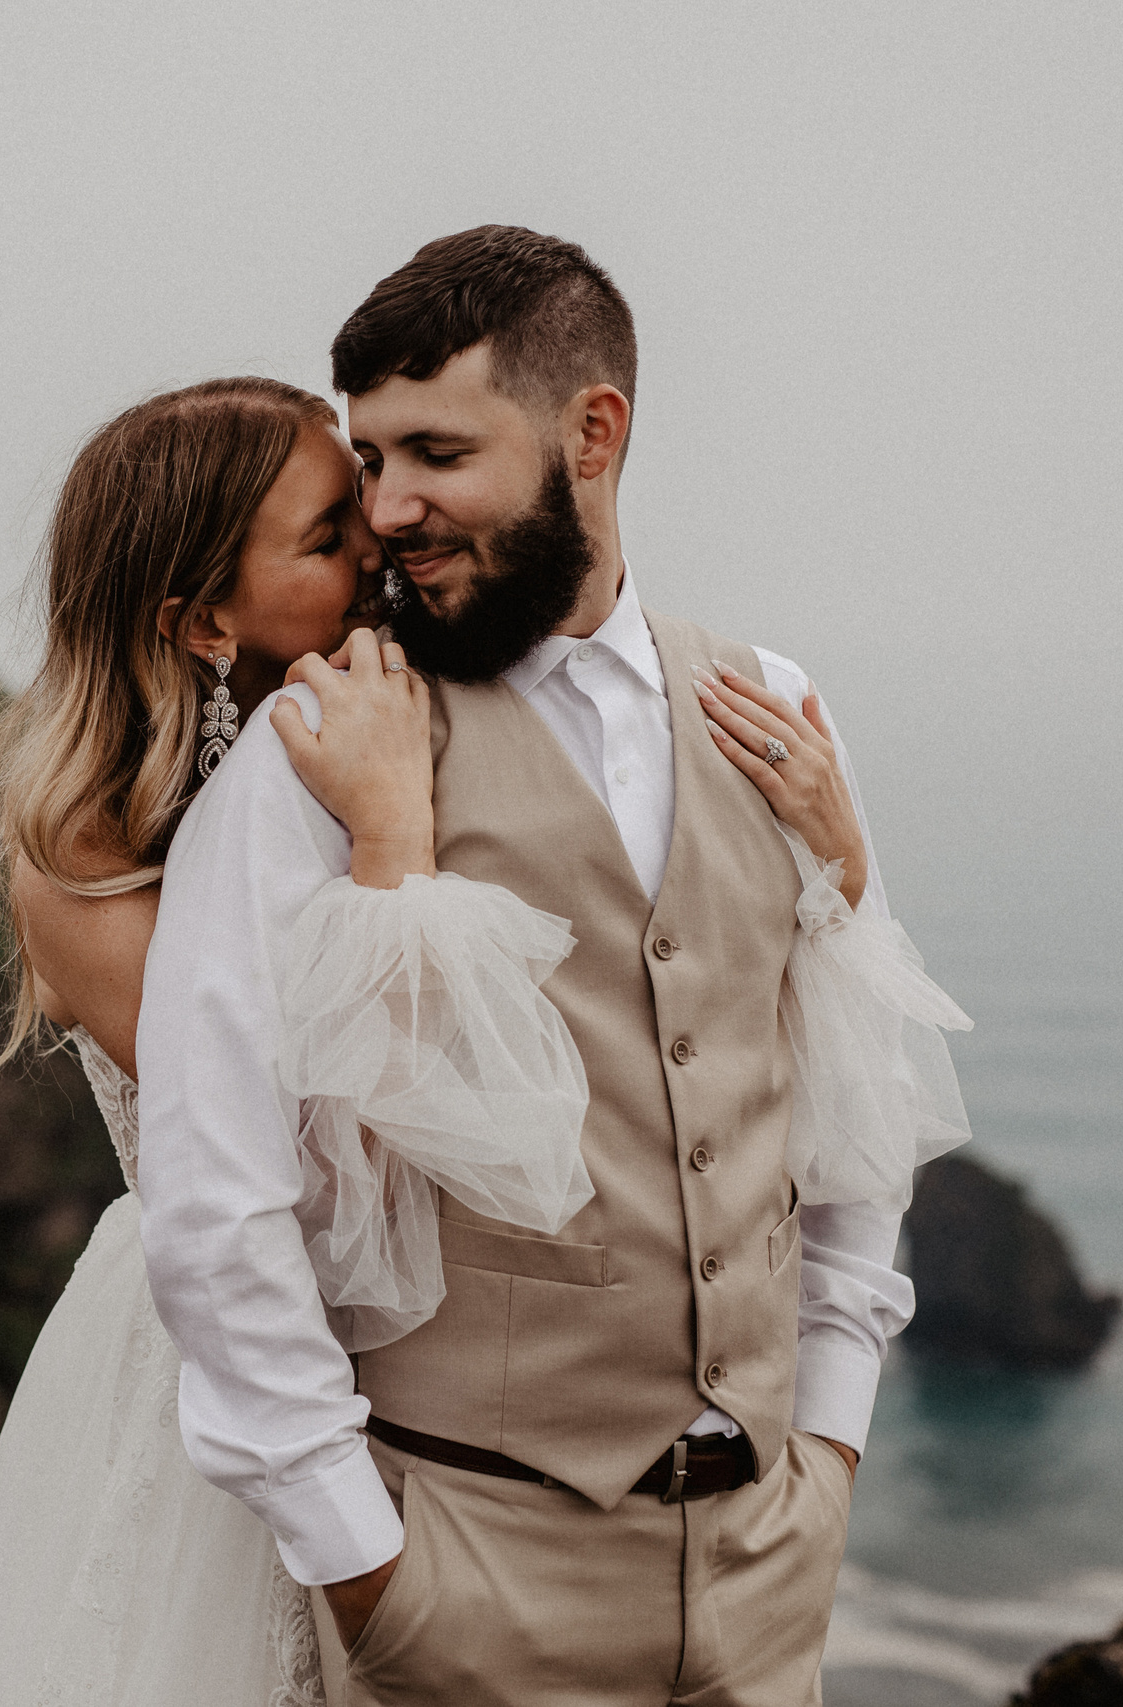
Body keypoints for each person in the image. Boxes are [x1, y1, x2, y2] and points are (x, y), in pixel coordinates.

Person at [136, 226, 970, 1706]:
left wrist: (828, 1447)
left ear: (594, 435)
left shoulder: (771, 706)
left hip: (768, 1575)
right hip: (468, 1584)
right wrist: (371, 1567)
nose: (388, 509)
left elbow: (853, 1106)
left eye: (435, 454)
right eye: (371, 460)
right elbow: (217, 1192)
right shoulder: (316, 754)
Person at [0, 376, 592, 1705]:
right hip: (236, 1353)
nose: (382, 541)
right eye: (330, 535)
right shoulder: (85, 856)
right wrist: (392, 843)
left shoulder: (352, 722)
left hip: (431, 1355)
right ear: (204, 617)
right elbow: (313, 1152)